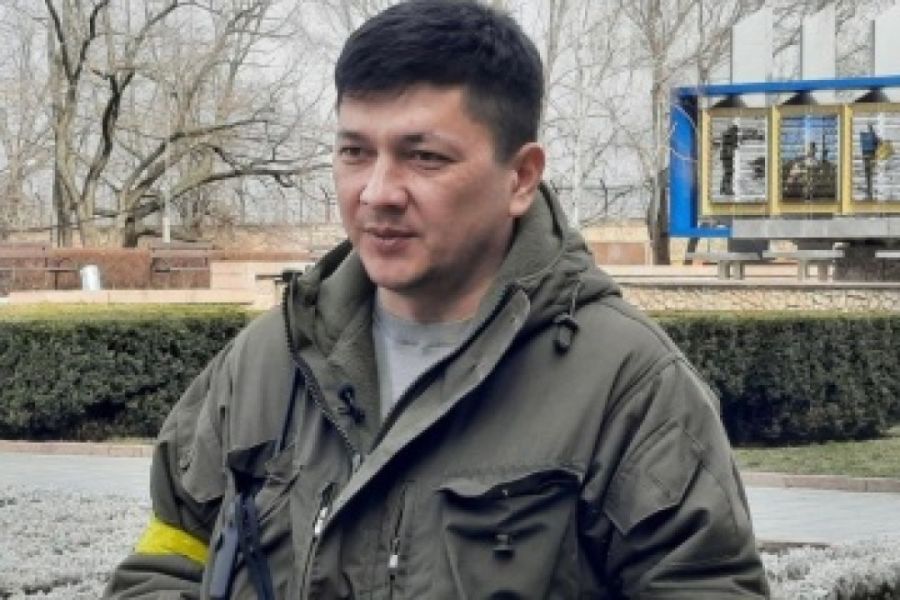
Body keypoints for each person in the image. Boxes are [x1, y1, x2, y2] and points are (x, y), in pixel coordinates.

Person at [105, 1, 768, 597]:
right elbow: (167, 560)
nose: (377, 192)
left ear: (521, 176)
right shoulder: (264, 362)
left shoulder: (629, 387)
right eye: (355, 152)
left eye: (423, 157)